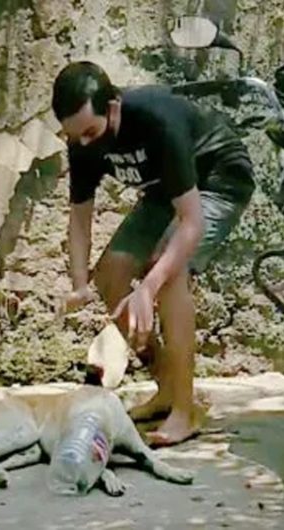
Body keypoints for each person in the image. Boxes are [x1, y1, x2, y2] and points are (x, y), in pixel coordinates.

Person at [51, 61, 256, 446]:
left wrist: (148, 285)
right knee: (110, 274)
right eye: (74, 136)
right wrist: (79, 284)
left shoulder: (157, 120)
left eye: (91, 132)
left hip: (218, 178)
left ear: (112, 107)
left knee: (170, 272)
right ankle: (166, 388)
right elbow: (80, 219)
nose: (83, 144)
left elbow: (191, 222)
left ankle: (185, 409)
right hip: (166, 190)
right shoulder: (83, 142)